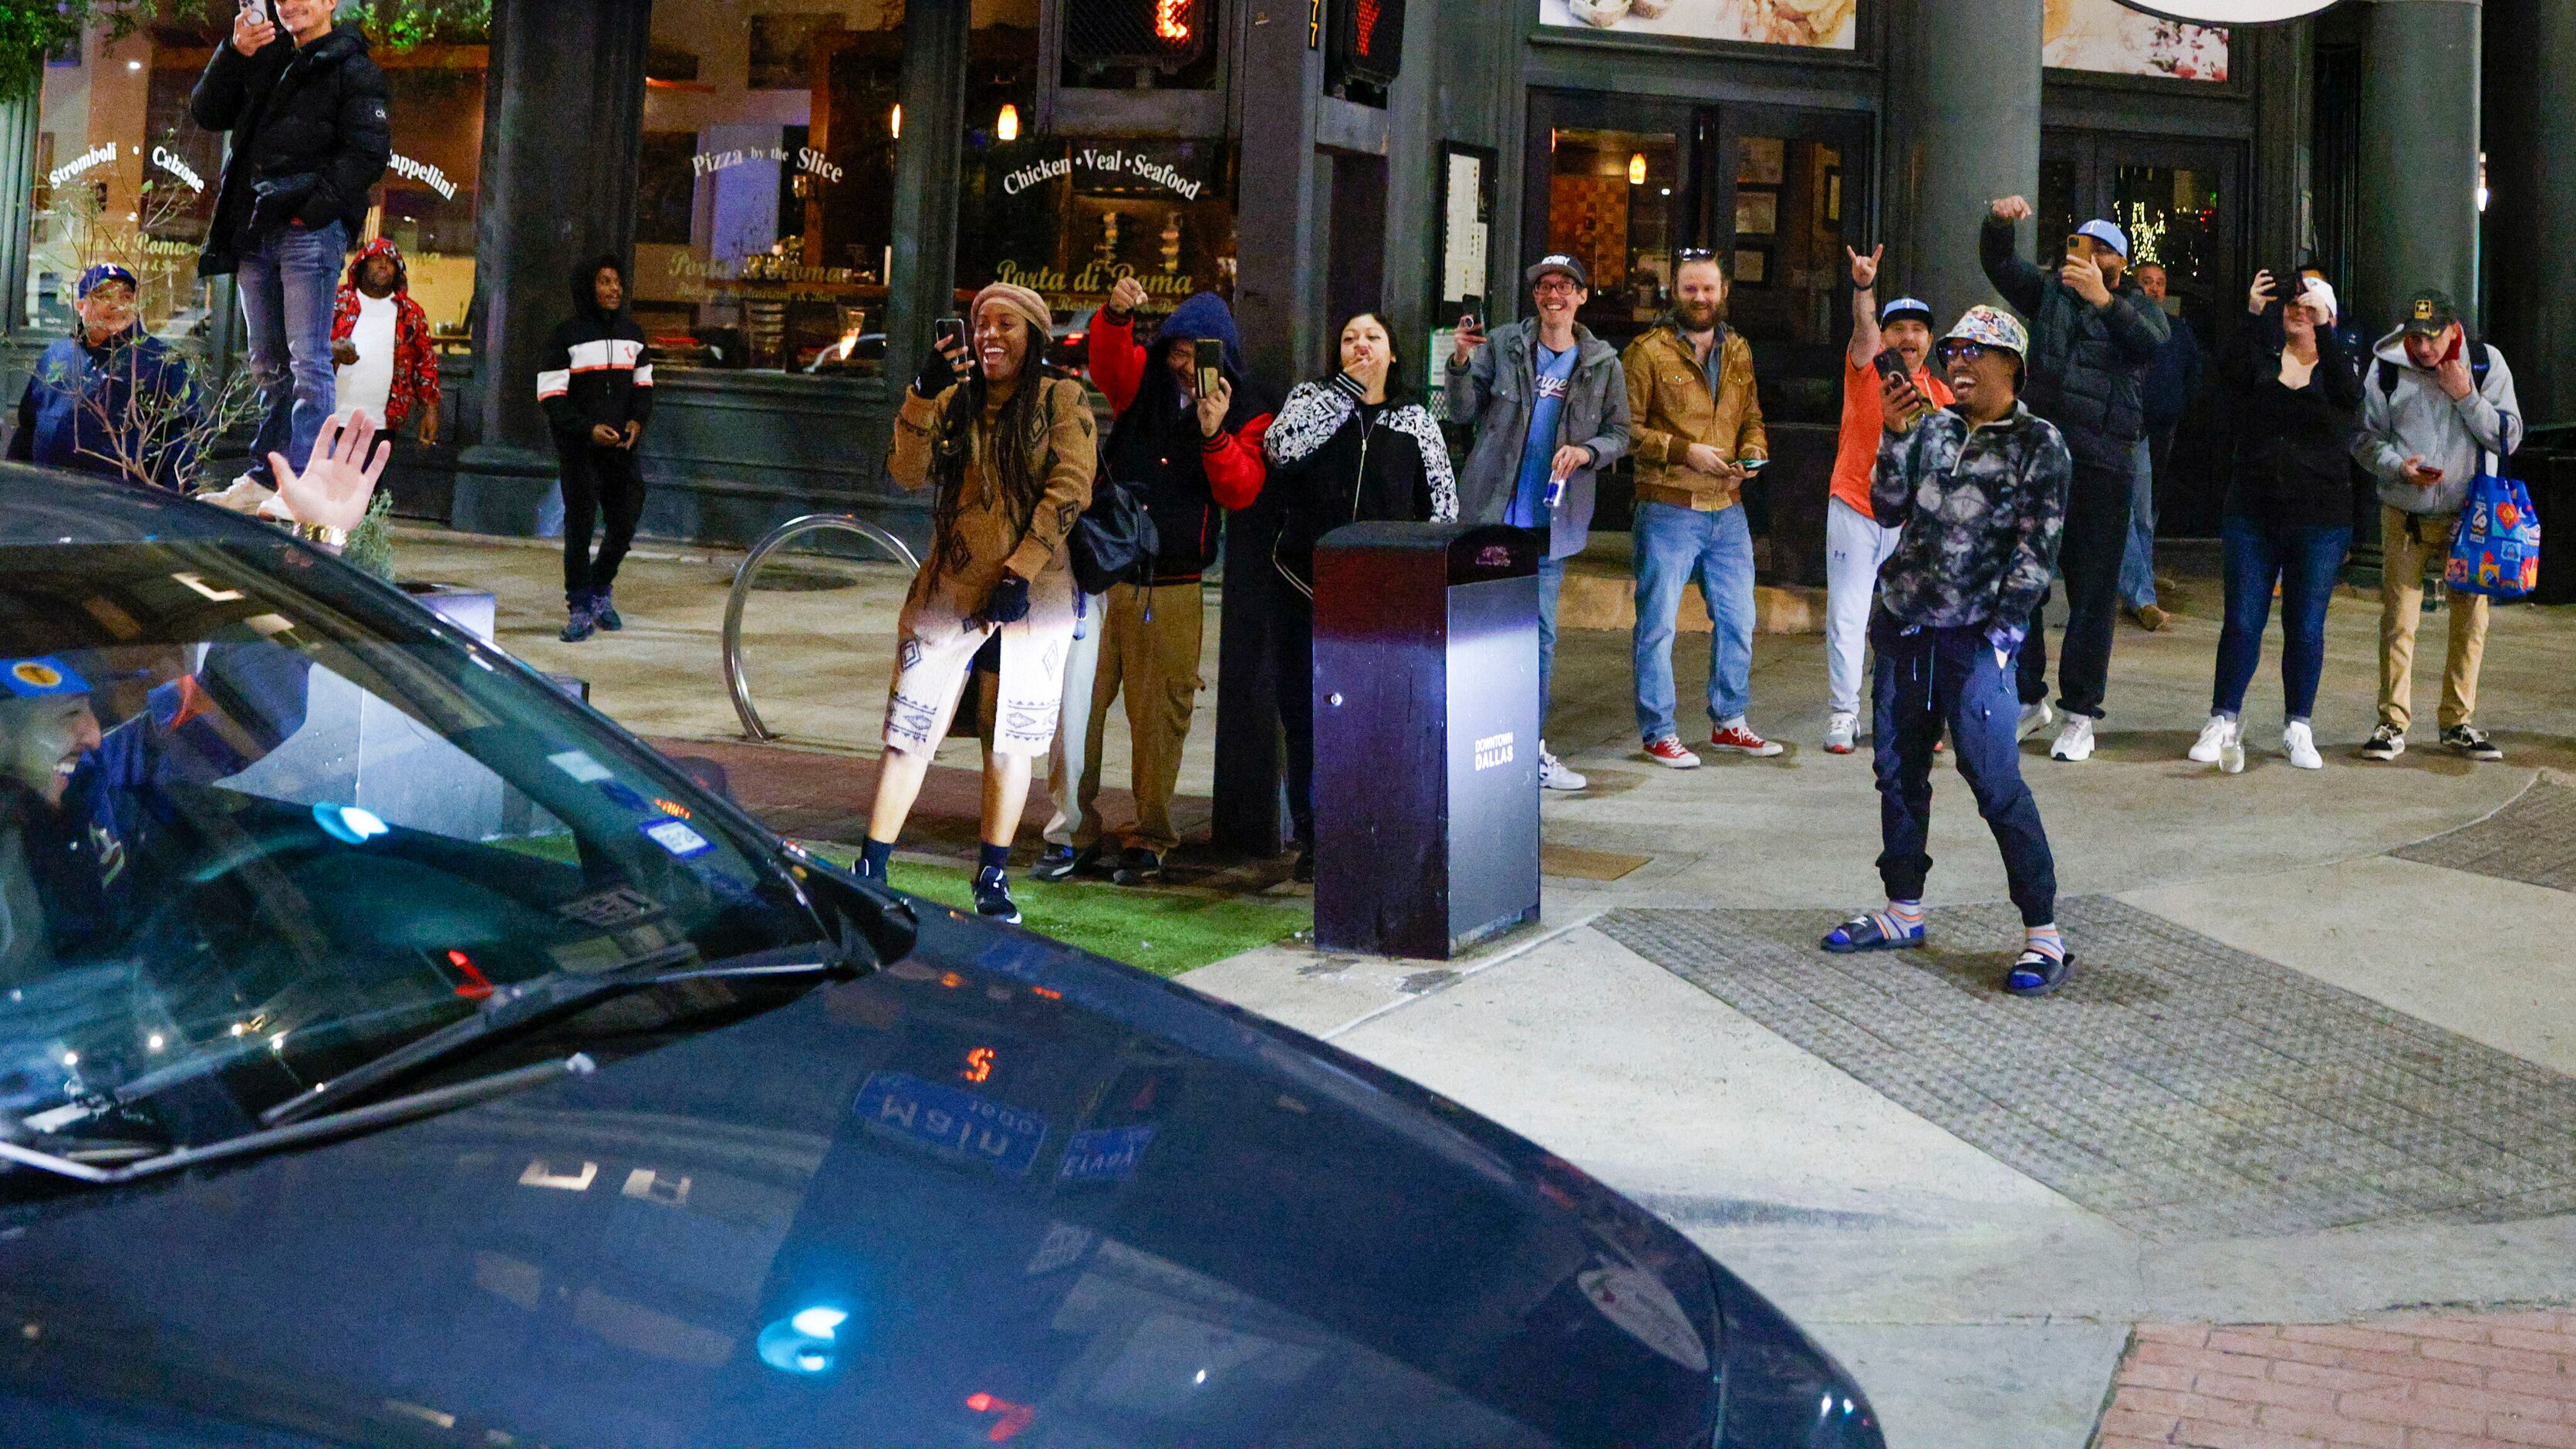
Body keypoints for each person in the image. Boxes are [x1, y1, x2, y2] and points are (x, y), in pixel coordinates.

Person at [0, 410, 383, 980]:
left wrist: (313, 553)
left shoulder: (99, 778)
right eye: (71, 714)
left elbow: (241, 712)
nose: (93, 734)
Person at [1821, 306, 2074, 996]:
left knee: (1993, 781)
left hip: (1977, 639)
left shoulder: (2039, 443)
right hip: (1905, 624)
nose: (1955, 362)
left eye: (1973, 352)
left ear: (2011, 366)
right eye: (1953, 351)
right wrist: (1898, 434)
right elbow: (1887, 505)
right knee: (1898, 771)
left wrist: (2001, 640)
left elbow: (2035, 554)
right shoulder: (1930, 427)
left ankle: (2042, 934)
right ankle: (1903, 910)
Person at [861, 283, 1095, 924]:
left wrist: (1019, 573)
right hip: (948, 593)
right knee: (909, 732)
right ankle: (871, 868)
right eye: (980, 324)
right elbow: (906, 472)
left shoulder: (1062, 399)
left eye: (1006, 325)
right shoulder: (953, 399)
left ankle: (992, 877)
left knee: (1007, 739)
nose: (990, 335)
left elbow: (1071, 487)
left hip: (1031, 600)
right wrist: (919, 390)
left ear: (1035, 336)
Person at [1040, 279, 1273, 887]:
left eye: (1196, 353)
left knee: (1160, 718)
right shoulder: (1141, 380)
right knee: (1074, 708)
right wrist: (1115, 313)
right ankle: (1071, 831)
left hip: (1173, 581)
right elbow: (1109, 362)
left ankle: (1151, 836)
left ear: (1222, 354)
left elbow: (1240, 490)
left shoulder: (1247, 407)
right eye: (1175, 349)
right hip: (1101, 572)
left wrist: (1214, 432)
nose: (1181, 363)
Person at [1262, 310, 1457, 882]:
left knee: (1377, 718)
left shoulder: (1415, 419)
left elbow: (1442, 504)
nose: (1360, 347)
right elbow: (1280, 450)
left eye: (1372, 338)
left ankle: (1376, 829)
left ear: (1394, 353)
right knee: (1306, 716)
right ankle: (1314, 835)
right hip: (1304, 584)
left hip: (1381, 596)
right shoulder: (1312, 400)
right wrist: (1342, 396)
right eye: (1348, 338)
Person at [1980, 199, 2169, 762]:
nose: (2088, 257)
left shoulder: (2137, 305)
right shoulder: (2049, 295)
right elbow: (1999, 265)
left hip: (2105, 465)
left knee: (2091, 596)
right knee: (2025, 584)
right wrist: (1997, 224)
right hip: (2042, 459)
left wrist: (2105, 301)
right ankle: (2027, 698)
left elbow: (2149, 347)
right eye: (2080, 245)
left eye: (2101, 249)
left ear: (2120, 260)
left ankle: (2080, 713)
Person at [1445, 253, 1630, 791]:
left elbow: (1621, 432)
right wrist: (1458, 364)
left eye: (1565, 286)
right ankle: (1470, 742)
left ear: (1581, 297)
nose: (1554, 295)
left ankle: (1529, 749)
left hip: (1551, 526)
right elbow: (1460, 412)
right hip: (1489, 516)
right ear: (1535, 296)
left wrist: (1587, 451)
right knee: (1474, 630)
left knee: (1538, 638)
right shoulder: (1503, 345)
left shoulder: (1601, 363)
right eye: (1545, 286)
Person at [190, 0, 390, 493]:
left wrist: (312, 212)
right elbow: (207, 112)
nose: (290, 4)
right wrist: (233, 52)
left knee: (308, 364)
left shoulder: (354, 67)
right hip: (254, 226)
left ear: (330, 3)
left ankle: (303, 484)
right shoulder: (266, 57)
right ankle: (266, 476)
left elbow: (368, 151)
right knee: (266, 363)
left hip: (307, 231)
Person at [2189, 269, 2361, 775]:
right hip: (2253, 511)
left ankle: (2297, 725)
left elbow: (2351, 399)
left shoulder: (2336, 366)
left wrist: (2325, 327)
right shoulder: (2259, 359)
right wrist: (2250, 315)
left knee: (2304, 625)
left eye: (2307, 303)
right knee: (2242, 620)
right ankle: (2222, 718)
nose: (2296, 308)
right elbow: (2223, 376)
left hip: (2320, 517)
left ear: (2325, 313)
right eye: (2290, 301)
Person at [1619, 248, 1776, 770]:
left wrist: (1754, 452)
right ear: (1673, 292)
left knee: (1738, 619)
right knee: (1658, 625)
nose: (1700, 298)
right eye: (1689, 288)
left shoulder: (1739, 350)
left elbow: (1750, 414)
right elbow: (1626, 431)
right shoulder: (1645, 353)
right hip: (1668, 508)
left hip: (1728, 507)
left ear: (1723, 292)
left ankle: (1729, 721)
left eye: (1708, 288)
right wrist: (1685, 451)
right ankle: (1658, 731)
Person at [2353, 288, 2523, 763]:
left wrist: (2466, 395)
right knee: (2398, 621)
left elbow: (2509, 435)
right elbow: (2365, 439)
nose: (2423, 348)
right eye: (2415, 337)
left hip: (2469, 519)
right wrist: (2396, 465)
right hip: (2404, 516)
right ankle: (2391, 723)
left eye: (2432, 337)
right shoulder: (2385, 367)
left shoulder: (2486, 364)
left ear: (2454, 330)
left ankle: (2458, 723)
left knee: (2470, 623)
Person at [1822, 244, 1951, 755]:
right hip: (1854, 504)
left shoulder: (1940, 394)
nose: (1907, 337)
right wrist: (1863, 289)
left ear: (1930, 340)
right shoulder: (1865, 367)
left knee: (1914, 618)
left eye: (1918, 329)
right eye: (1898, 328)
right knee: (1848, 615)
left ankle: (1916, 712)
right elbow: (1862, 329)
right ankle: (1843, 714)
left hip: (1909, 522)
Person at [539, 255, 654, 643]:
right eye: (605, 282)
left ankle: (600, 588)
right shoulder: (565, 336)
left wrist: (637, 421)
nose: (614, 290)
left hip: (622, 450)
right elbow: (551, 396)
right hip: (580, 450)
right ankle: (579, 606)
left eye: (618, 282)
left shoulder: (634, 335)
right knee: (580, 526)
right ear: (590, 287)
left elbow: (644, 388)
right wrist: (587, 430)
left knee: (624, 522)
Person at [8, 264, 198, 492]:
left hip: (123, 506)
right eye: (103, 296)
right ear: (80, 306)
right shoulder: (56, 355)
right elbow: (28, 427)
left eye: (125, 296)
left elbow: (188, 437)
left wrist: (169, 500)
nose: (117, 304)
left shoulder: (162, 360)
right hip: (49, 497)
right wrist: (13, 486)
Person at [2123, 261, 2200, 632]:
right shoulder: (2123, 322)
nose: (2154, 289)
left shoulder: (2178, 329)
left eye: (2160, 283)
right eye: (2146, 282)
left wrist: (2180, 407)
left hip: (2161, 426)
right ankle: (2141, 594)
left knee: (2146, 511)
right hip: (2126, 429)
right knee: (2130, 511)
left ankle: (2143, 579)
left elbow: (2193, 372)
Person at [329, 238, 440, 444]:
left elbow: (426, 364)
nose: (383, 265)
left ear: (398, 271)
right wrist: (332, 350)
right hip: (331, 417)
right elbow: (307, 345)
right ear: (361, 266)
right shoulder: (336, 302)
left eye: (390, 262)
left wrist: (431, 409)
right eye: (375, 260)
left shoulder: (410, 314)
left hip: (382, 423)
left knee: (372, 477)